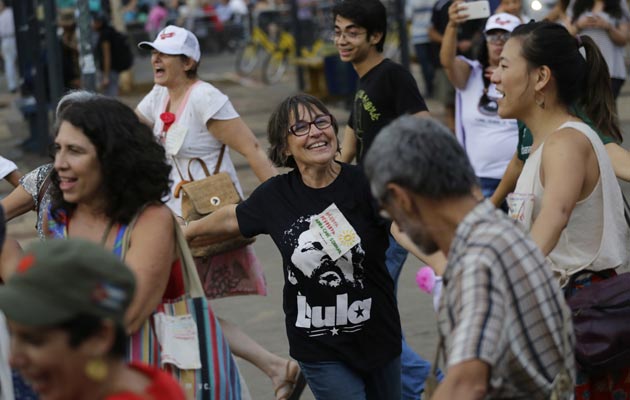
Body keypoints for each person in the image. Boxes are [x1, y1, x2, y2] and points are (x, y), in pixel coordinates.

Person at [185, 94, 404, 399]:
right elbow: (231, 218)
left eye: (321, 121)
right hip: (318, 347)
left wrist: (441, 261)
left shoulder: (366, 183)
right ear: (284, 147)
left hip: (380, 338)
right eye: (300, 127)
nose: (315, 132)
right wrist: (185, 232)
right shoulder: (276, 196)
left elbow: (403, 228)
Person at [134, 26, 303, 400]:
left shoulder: (206, 98)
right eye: (153, 52)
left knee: (177, 306)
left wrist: (288, 210)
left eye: (165, 53)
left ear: (189, 61)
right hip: (172, 220)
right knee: (183, 308)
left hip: (205, 219)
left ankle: (265, 369)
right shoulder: (158, 97)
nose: (156, 59)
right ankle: (275, 367)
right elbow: (130, 135)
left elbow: (254, 150)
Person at [364, 115, 575, 399]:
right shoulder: (497, 231)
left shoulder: (478, 260)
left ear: (401, 197)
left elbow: (467, 384)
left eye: (390, 211)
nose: (398, 226)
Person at [491, 20, 630, 398]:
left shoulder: (566, 142)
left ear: (540, 77)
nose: (494, 78)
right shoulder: (545, 143)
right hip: (557, 320)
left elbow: (555, 217)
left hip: (581, 326)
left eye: (505, 66)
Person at [331, 1, 435, 397]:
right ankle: (413, 386)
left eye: (352, 32)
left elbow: (425, 132)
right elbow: (349, 147)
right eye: (338, 31)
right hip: (367, 216)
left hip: (391, 218)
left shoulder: (392, 76)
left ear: (375, 36)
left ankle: (427, 384)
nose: (342, 39)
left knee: (370, 311)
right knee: (371, 311)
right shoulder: (361, 84)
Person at [0, 239, 187, 399]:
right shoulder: (138, 378)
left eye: (35, 341)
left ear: (99, 337)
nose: (13, 360)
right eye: (12, 335)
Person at [2, 91, 104, 241]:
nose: (60, 164)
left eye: (74, 149)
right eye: (59, 148)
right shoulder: (44, 178)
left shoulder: (125, 199)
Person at [441, 10, 520, 199]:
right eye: (493, 35)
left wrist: (508, 72)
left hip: (520, 177)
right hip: (478, 179)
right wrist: (452, 25)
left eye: (507, 36)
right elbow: (447, 61)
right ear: (484, 39)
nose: (499, 41)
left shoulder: (529, 78)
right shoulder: (471, 72)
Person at [565, 0, 629, 99]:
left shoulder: (619, 2)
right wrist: (579, 25)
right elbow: (565, 34)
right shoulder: (576, 2)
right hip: (581, 68)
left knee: (606, 108)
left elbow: (624, 38)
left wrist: (608, 27)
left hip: (611, 69)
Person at [407, 0, 436, 98]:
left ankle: (430, 90)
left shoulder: (411, 1)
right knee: (433, 64)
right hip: (433, 35)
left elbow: (408, 16)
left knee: (425, 65)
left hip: (418, 36)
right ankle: (435, 89)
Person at [0, 0, 18, 94]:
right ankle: (13, 85)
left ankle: (13, 85)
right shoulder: (8, 12)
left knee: (9, 63)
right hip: (10, 39)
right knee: (10, 63)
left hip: (8, 39)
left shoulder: (7, 13)